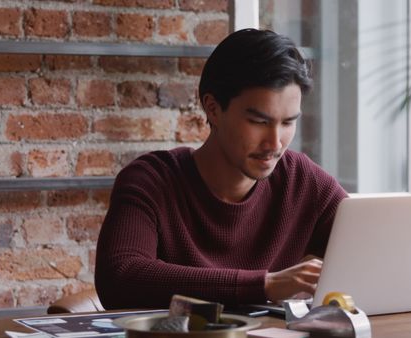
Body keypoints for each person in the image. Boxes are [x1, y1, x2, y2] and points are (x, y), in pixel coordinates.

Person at [95, 28, 348, 309]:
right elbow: (119, 278)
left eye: (288, 123)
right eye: (259, 121)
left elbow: (370, 248)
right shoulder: (151, 181)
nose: (275, 142)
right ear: (213, 109)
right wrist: (266, 284)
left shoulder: (302, 180)